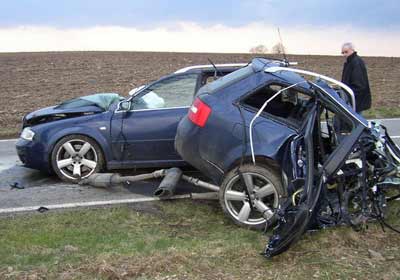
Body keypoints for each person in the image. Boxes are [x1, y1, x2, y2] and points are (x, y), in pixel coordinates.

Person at [341, 42, 371, 114]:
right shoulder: (350, 62)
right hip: (351, 100)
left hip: (356, 101)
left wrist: (348, 95)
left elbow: (359, 85)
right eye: (343, 53)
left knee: (356, 122)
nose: (344, 54)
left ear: (352, 50)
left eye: (346, 52)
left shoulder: (356, 62)